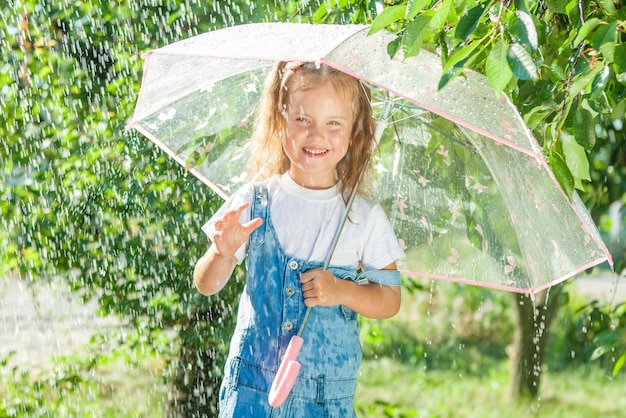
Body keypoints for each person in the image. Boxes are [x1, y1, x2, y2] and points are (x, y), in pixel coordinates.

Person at [194, 61, 405, 417]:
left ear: (353, 132)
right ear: (281, 121)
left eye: (333, 123)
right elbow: (206, 284)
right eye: (303, 120)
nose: (316, 135)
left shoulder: (362, 216)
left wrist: (341, 291)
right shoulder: (254, 201)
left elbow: (390, 299)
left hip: (323, 401)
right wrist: (222, 252)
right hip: (252, 392)